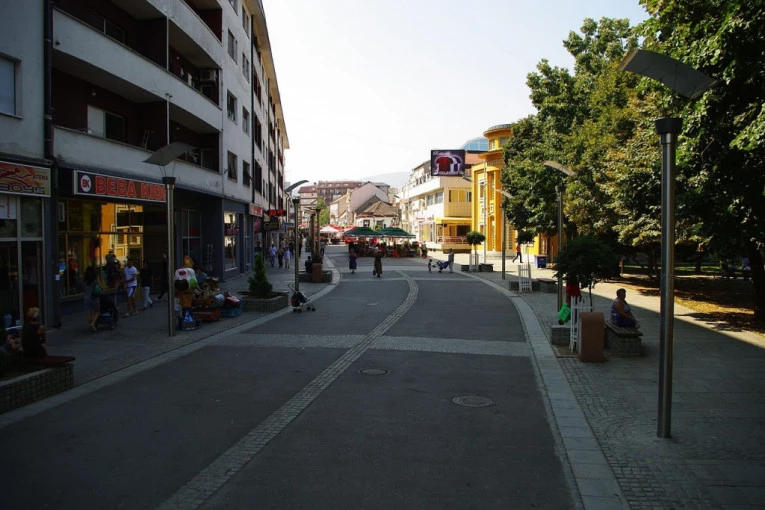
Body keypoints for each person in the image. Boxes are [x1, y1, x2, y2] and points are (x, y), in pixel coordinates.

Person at [82, 266, 101, 331]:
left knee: (88, 312)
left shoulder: (84, 280)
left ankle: (91, 324)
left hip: (86, 297)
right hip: (94, 297)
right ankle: (93, 323)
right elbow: (100, 286)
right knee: (97, 311)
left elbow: (83, 288)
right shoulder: (95, 279)